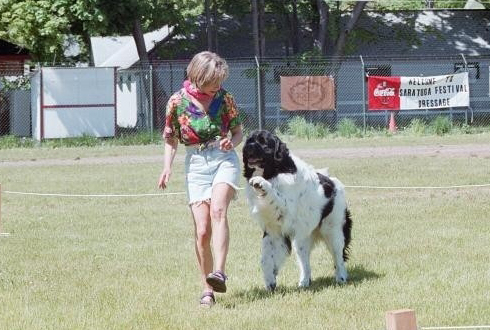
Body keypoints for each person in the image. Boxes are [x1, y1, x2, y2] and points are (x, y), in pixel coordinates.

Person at [157, 51, 243, 308]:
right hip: (195, 164)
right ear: (198, 76)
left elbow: (238, 132)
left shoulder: (225, 98)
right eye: (213, 81)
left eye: (220, 80)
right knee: (202, 231)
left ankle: (219, 272)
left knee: (218, 210)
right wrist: (167, 168)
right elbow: (171, 138)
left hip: (223, 158)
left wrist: (232, 142)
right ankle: (207, 289)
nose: (218, 85)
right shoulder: (176, 101)